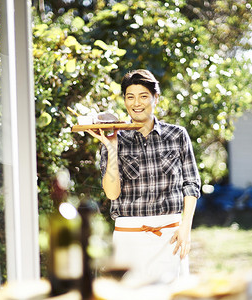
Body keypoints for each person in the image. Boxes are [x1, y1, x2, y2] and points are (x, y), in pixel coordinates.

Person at [86, 69, 201, 283]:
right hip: (128, 238)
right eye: (130, 97)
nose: (136, 103)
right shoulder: (113, 136)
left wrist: (186, 226)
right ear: (124, 100)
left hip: (171, 235)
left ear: (156, 98)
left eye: (143, 96)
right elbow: (112, 194)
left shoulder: (177, 135)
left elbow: (191, 184)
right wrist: (111, 148)